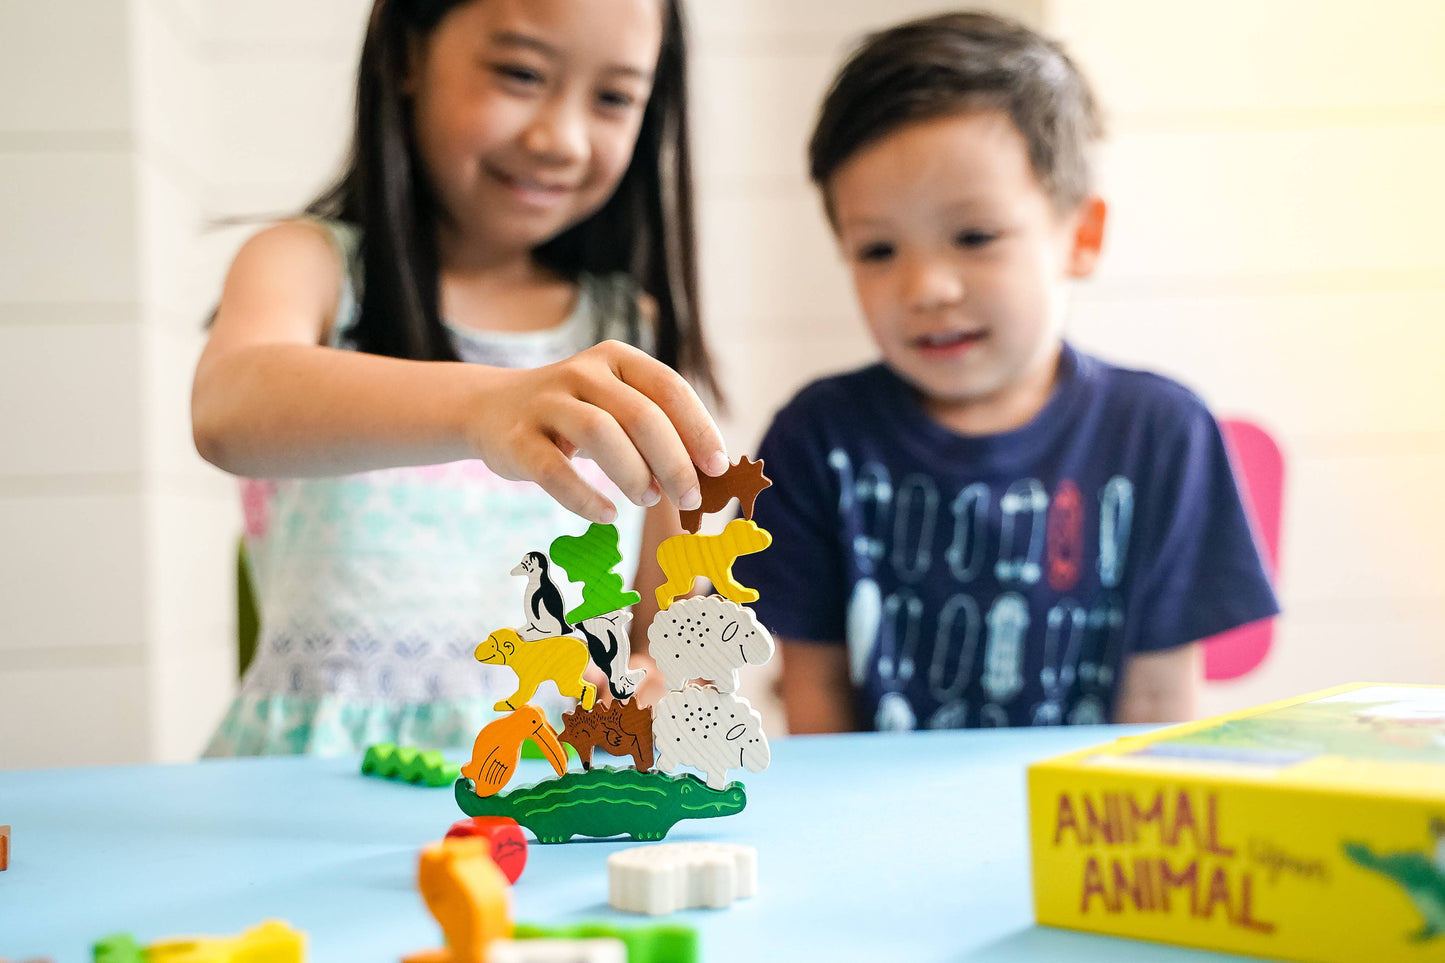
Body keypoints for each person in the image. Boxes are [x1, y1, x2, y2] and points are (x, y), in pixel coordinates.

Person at [192, 0, 727, 756]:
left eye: (612, 97)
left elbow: (667, 622)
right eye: (520, 73)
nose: (560, 139)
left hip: (539, 797)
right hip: (300, 790)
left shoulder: (628, 328)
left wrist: (660, 674)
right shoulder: (306, 267)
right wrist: (488, 404)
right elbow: (228, 408)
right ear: (409, 56)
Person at [732, 12, 1278, 734]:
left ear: (1079, 237)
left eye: (974, 237)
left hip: (1086, 829)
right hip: (876, 829)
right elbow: (813, 696)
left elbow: (1154, 706)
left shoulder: (1160, 433)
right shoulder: (814, 437)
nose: (926, 287)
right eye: (877, 250)